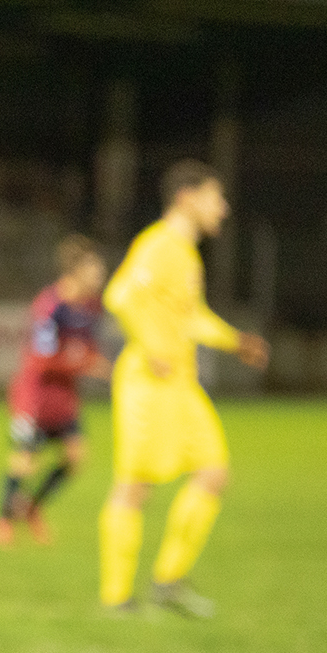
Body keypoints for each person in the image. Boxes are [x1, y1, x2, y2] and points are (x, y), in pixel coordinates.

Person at [98, 159, 269, 616]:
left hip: (180, 383)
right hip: (149, 383)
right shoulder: (159, 245)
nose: (224, 208)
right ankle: (116, 597)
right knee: (135, 487)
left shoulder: (185, 254)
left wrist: (236, 341)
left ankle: (169, 579)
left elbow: (189, 316)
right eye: (216, 197)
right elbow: (120, 296)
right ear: (186, 198)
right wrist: (152, 345)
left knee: (213, 472)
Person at [0, 234, 110, 548]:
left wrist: (93, 361)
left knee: (75, 457)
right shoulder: (50, 306)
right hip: (35, 398)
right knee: (24, 460)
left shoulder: (91, 307)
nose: (100, 275)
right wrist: (83, 363)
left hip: (64, 400)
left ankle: (32, 507)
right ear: (75, 271)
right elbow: (42, 358)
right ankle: (2, 519)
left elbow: (87, 349)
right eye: (94, 269)